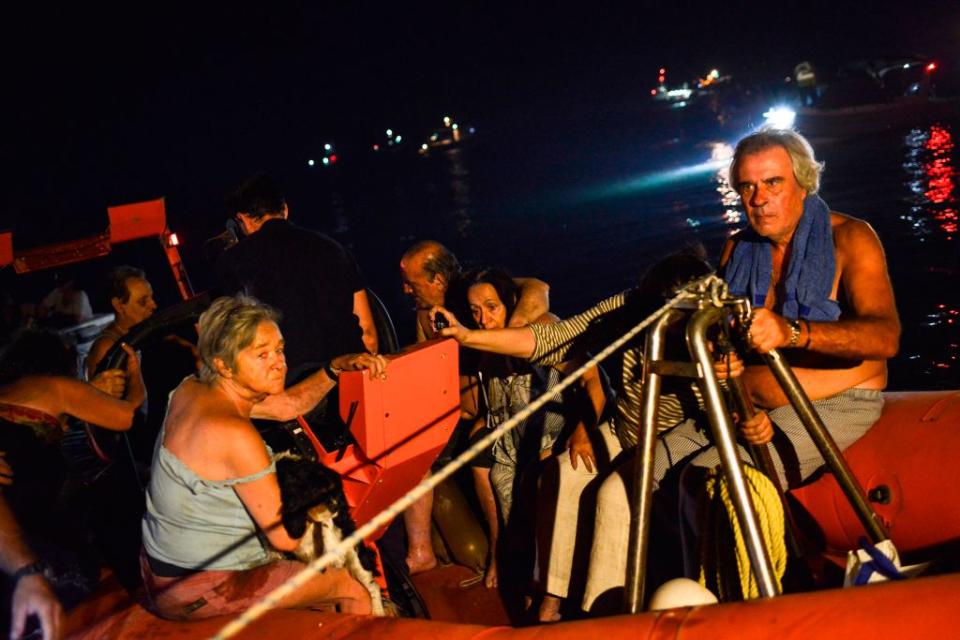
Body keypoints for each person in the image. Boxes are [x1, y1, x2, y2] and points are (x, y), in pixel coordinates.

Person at [433, 249, 711, 615]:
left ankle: (603, 608)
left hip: (674, 434)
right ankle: (553, 598)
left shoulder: (708, 326)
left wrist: (583, 424)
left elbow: (592, 380)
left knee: (611, 494)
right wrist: (466, 337)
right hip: (625, 426)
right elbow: (556, 337)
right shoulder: (632, 304)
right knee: (565, 471)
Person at [140, 294, 387, 620]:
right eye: (262, 354)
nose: (279, 362)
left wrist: (334, 368)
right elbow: (284, 538)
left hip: (163, 570)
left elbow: (287, 406)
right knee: (351, 585)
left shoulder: (192, 389)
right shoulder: (235, 434)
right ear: (224, 364)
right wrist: (318, 501)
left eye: (280, 349)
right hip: (201, 588)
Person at [453, 268, 606, 611]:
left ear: (510, 302)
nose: (483, 319)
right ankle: (515, 567)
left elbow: (592, 378)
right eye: (475, 311)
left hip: (553, 434)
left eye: (491, 307)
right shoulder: (484, 343)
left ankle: (548, 589)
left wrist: (584, 430)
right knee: (497, 473)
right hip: (512, 441)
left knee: (536, 481)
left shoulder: (543, 329)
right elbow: (480, 404)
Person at [397, 240, 552, 575]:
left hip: (496, 409)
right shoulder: (427, 317)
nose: (406, 290)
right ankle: (421, 551)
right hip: (464, 410)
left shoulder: (475, 295)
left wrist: (512, 334)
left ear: (438, 280)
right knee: (409, 443)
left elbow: (538, 288)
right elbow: (427, 369)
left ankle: (505, 554)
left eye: (412, 282)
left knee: (485, 448)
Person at [0, 329, 145, 632]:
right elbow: (127, 415)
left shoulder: (10, 392)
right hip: (38, 531)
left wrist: (88, 389)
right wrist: (135, 377)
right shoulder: (56, 387)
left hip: (17, 522)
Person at [214, 173, 379, 379]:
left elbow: (234, 341)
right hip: (350, 376)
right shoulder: (334, 248)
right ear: (285, 209)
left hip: (291, 391)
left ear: (242, 219)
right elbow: (368, 333)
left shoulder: (232, 262)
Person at [84, 266, 158, 378]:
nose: (154, 305)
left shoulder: (142, 333)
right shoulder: (106, 347)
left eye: (151, 298)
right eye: (143, 301)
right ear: (118, 305)